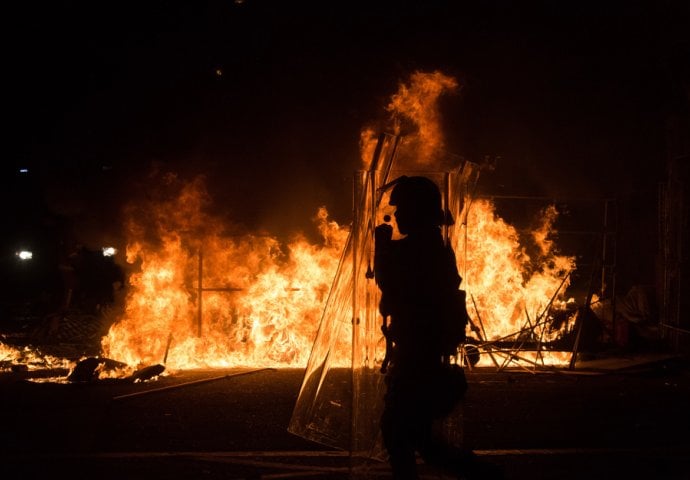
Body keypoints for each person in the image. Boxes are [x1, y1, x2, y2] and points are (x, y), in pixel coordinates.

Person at [374, 175, 502, 480]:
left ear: (418, 211)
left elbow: (394, 285)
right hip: (418, 350)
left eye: (403, 208)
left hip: (419, 354)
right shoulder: (429, 246)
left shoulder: (424, 250)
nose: (398, 215)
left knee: (396, 432)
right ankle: (485, 474)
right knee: (421, 441)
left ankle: (486, 474)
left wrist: (381, 249)